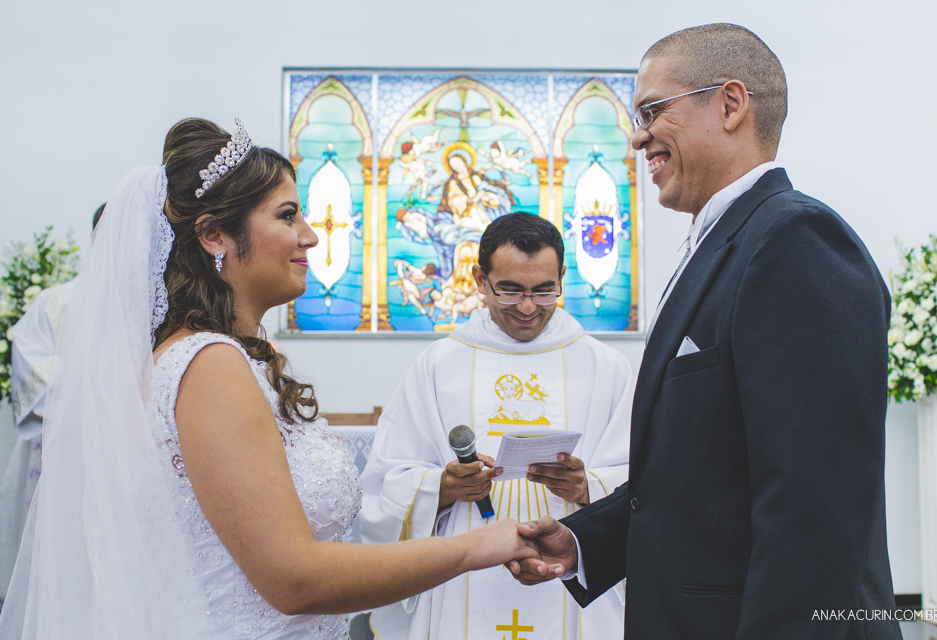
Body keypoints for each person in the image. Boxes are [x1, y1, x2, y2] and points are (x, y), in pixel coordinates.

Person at [0, 118, 536, 639]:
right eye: (287, 216)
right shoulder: (208, 364)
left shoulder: (222, 357)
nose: (310, 237)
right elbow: (294, 580)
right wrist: (474, 547)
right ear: (215, 236)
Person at [506, 23, 901, 639]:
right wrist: (586, 539)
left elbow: (813, 511)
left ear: (730, 103)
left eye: (652, 110)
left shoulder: (795, 243)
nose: (638, 137)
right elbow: (705, 471)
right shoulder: (725, 241)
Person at [360, 212, 631, 640]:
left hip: (573, 581)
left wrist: (587, 486)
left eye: (544, 291)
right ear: (479, 280)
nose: (527, 307)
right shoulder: (438, 365)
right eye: (510, 290)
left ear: (562, 276)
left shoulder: (607, 368)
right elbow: (384, 482)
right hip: (459, 580)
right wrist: (445, 487)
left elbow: (648, 481)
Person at [0, 203, 104, 600]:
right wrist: (88, 391)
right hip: (67, 439)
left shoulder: (162, 304)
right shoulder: (57, 300)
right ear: (96, 238)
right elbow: (28, 354)